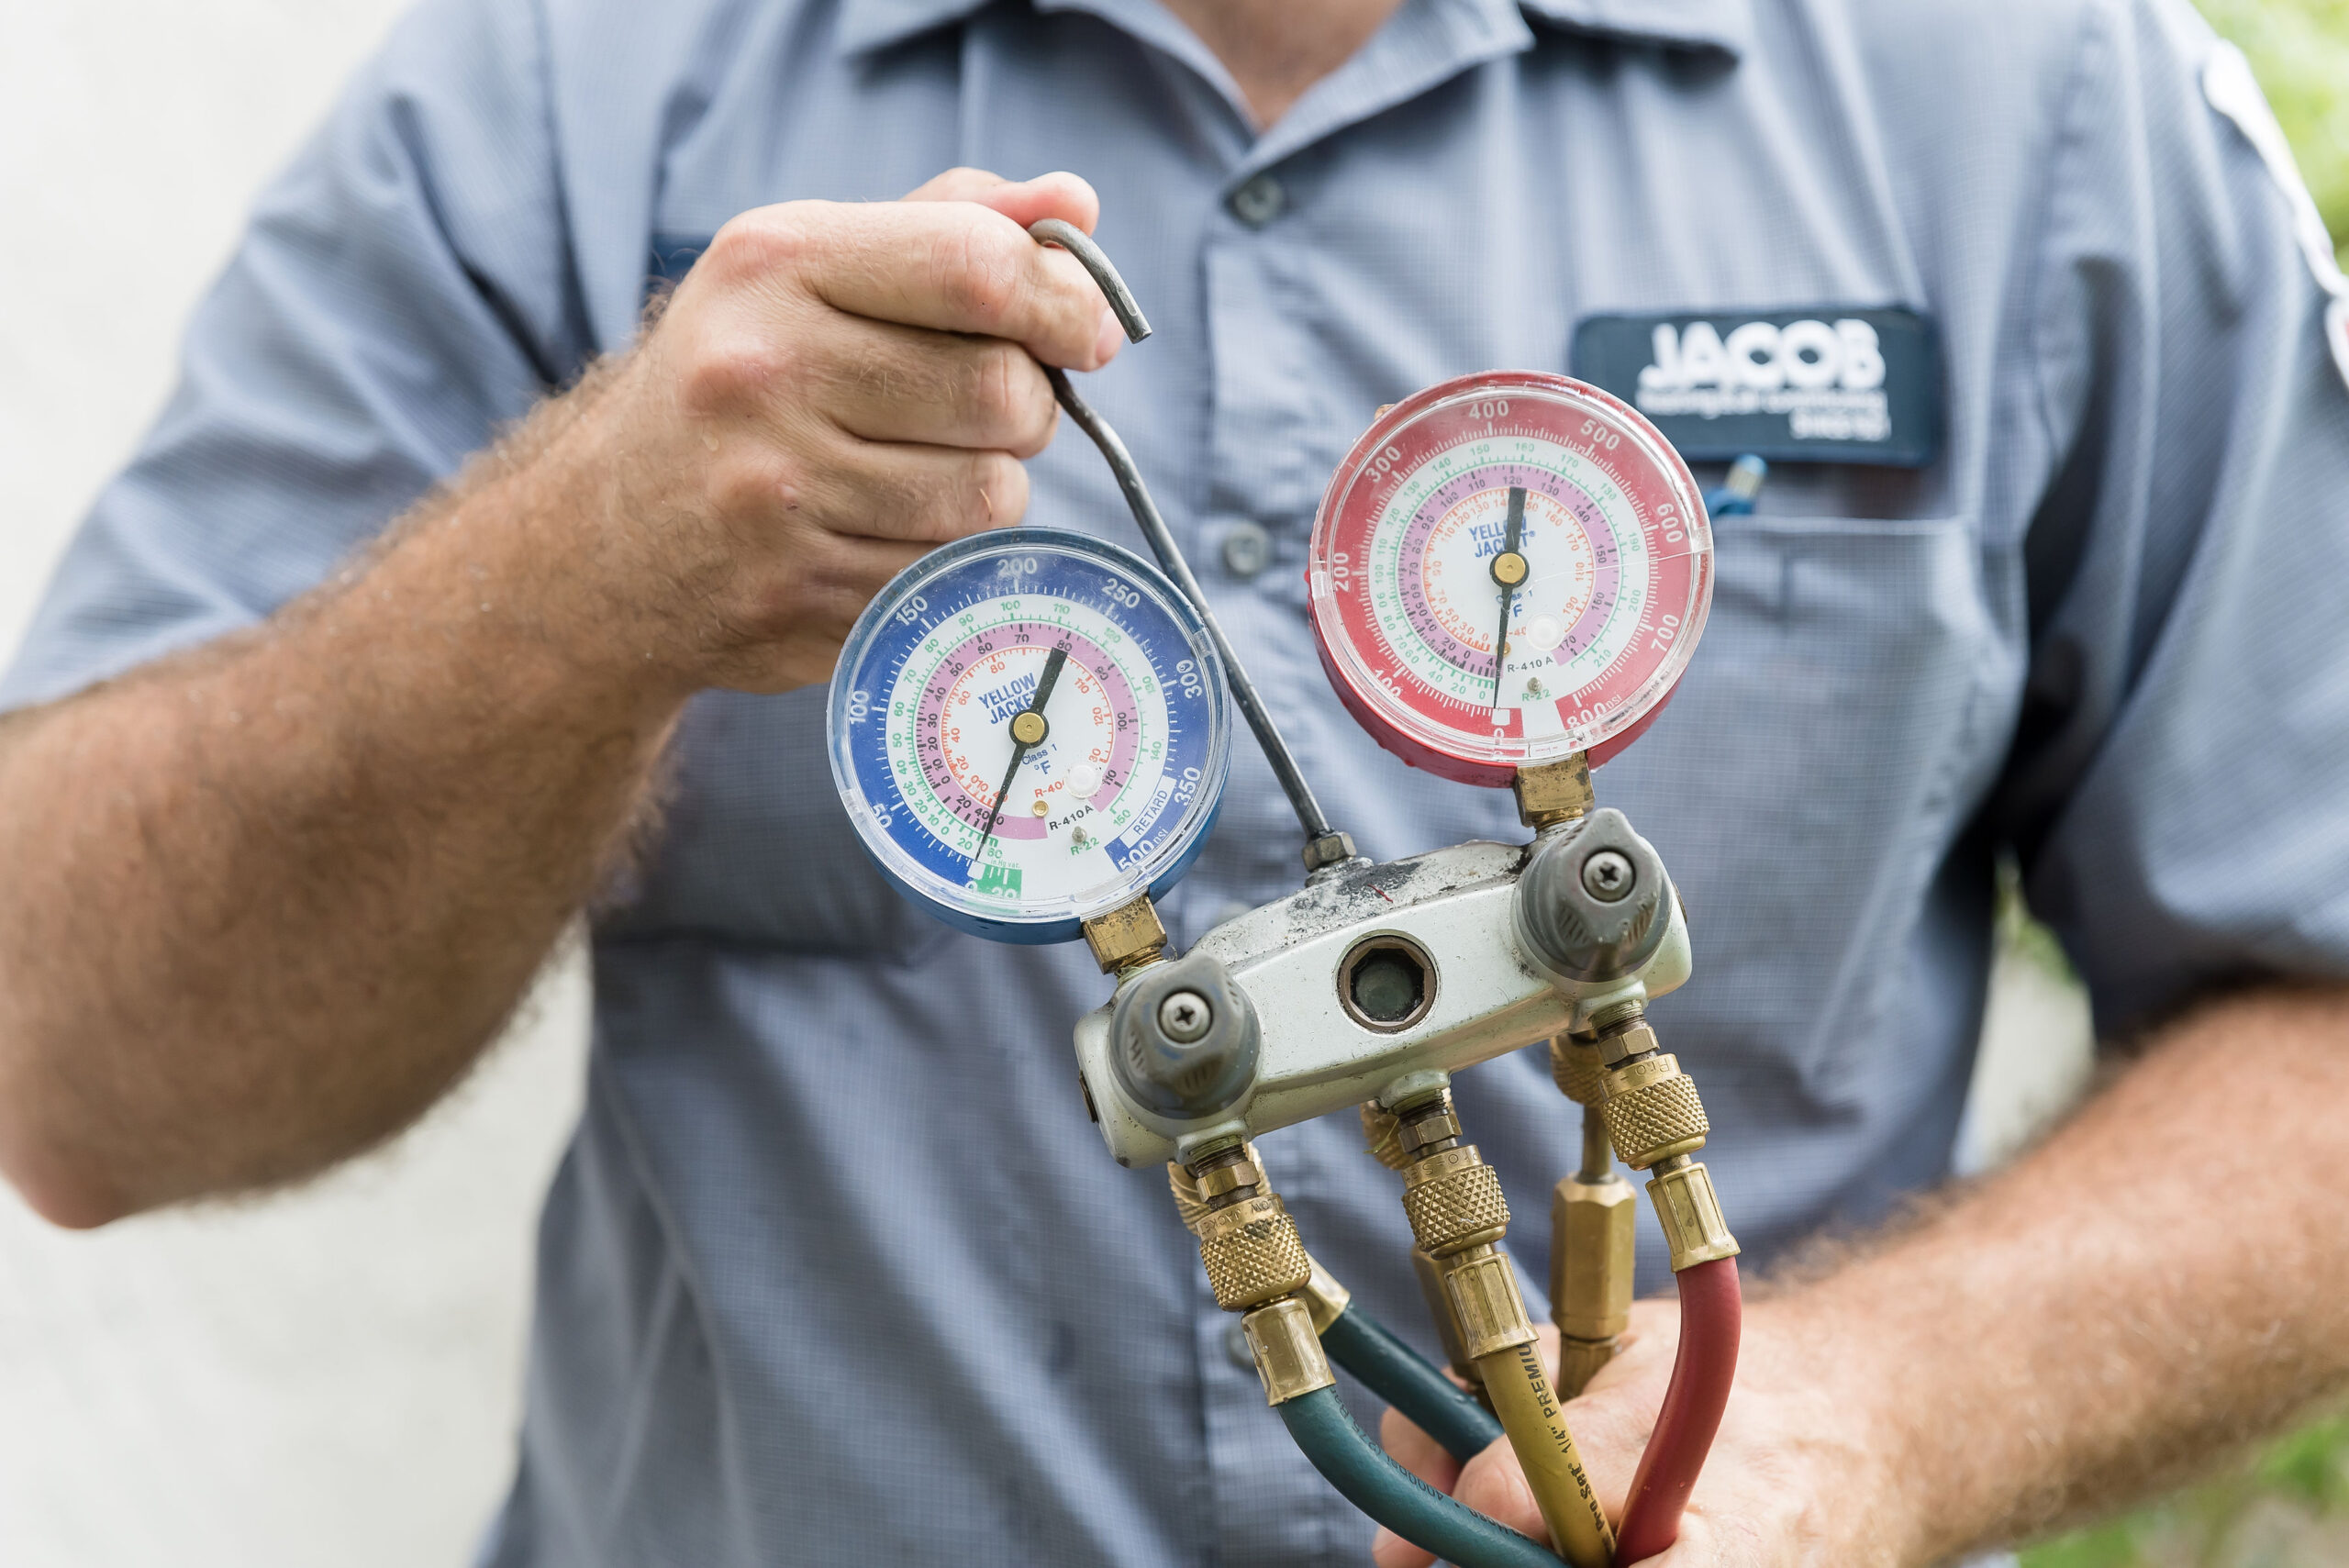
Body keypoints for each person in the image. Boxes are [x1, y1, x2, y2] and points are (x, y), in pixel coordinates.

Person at [4, 0, 2347, 1562]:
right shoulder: (566, 81)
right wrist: (572, 578)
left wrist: (1860, 1420)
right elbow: (78, 1066)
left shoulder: (2027, 91)